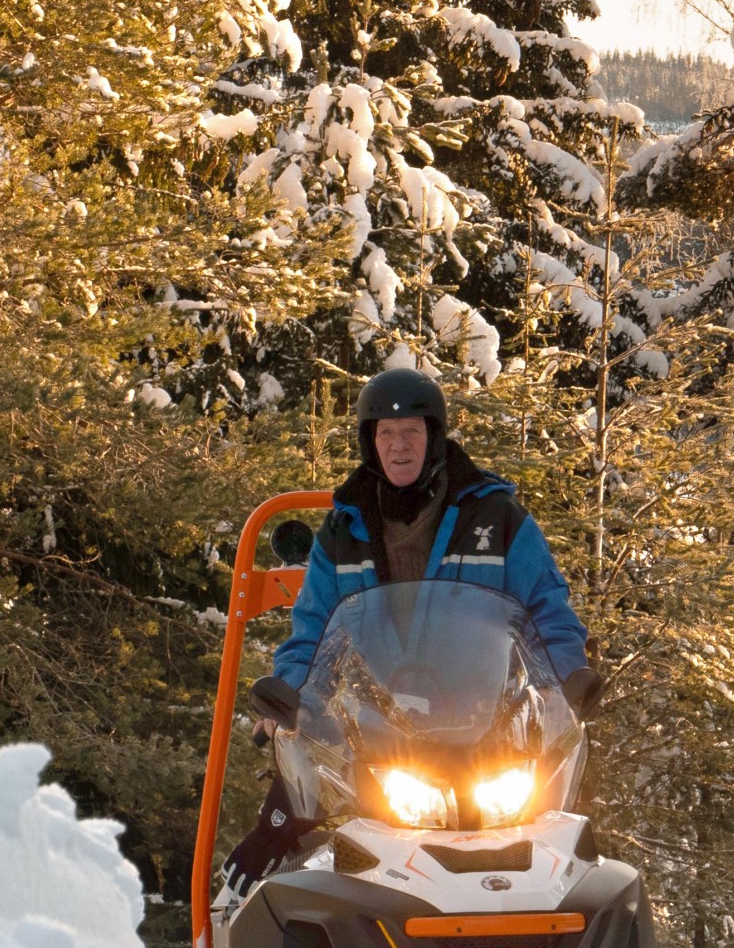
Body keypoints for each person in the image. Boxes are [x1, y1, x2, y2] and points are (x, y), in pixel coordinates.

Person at [217, 367, 596, 913]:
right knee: (288, 826)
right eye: (386, 434)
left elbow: (546, 610)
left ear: (434, 436)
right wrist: (288, 696)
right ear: (370, 443)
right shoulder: (342, 532)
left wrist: (570, 680)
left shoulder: (497, 517)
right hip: (379, 730)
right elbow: (315, 628)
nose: (399, 446)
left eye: (412, 432)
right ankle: (260, 940)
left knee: (554, 835)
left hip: (489, 727)